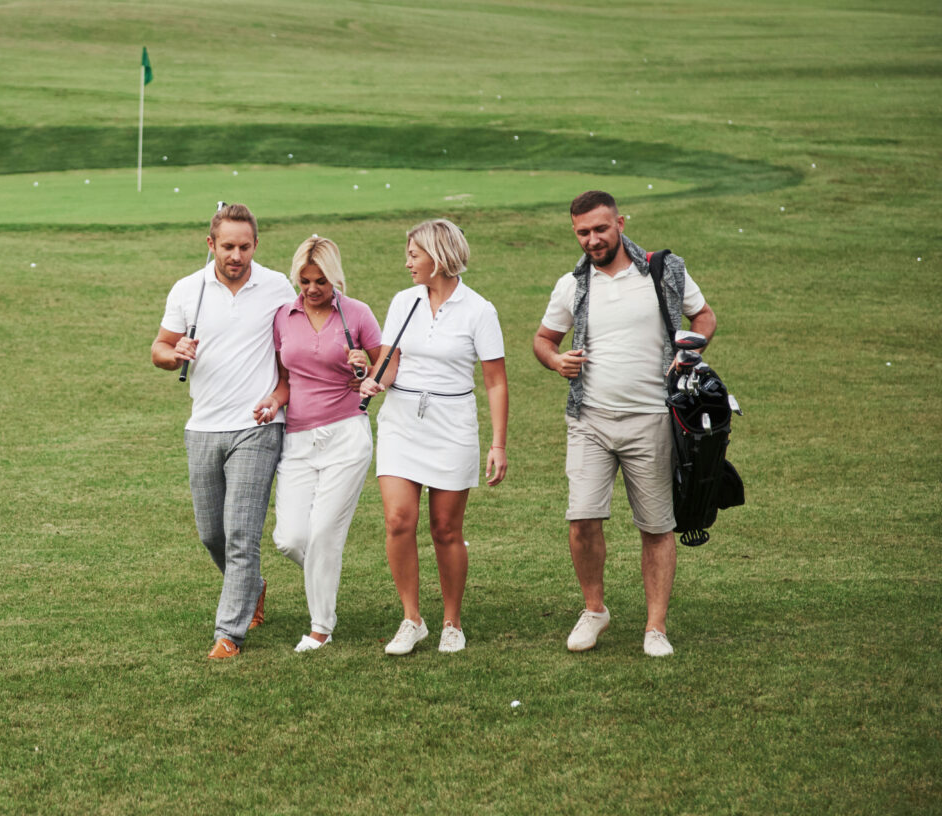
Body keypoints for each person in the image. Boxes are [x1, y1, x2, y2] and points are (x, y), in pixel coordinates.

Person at [532, 190, 717, 658]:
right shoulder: (571, 285)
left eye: (600, 229)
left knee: (656, 527)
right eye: (582, 233)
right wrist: (556, 360)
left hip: (654, 417)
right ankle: (594, 610)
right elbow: (543, 339)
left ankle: (655, 628)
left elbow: (705, 316)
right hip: (589, 419)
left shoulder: (663, 270)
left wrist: (689, 350)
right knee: (582, 521)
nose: (592, 240)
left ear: (619, 222)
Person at [151, 203, 295, 660]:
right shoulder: (187, 289)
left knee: (240, 534)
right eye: (228, 246)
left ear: (256, 244)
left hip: (258, 425)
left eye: (245, 246)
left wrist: (280, 396)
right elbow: (158, 347)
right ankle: (253, 585)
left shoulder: (276, 286)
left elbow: (293, 351)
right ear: (210, 244)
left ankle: (229, 634)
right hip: (203, 427)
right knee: (211, 533)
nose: (236, 255)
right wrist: (175, 355)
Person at [360, 218, 508, 655]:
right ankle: (411, 619)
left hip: (452, 425)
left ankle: (451, 622)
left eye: (413, 254)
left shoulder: (480, 310)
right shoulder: (403, 301)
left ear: (438, 257)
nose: (406, 262)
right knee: (398, 521)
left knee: (446, 529)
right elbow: (390, 359)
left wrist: (498, 444)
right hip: (402, 422)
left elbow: (496, 382)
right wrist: (375, 381)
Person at [254, 235, 381, 653]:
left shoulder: (356, 313)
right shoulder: (283, 317)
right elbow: (286, 381)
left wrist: (369, 369)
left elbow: (386, 361)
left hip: (346, 434)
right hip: (298, 438)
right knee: (289, 538)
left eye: (320, 281)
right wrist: (273, 402)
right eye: (304, 280)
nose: (311, 289)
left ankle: (320, 628)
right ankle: (325, 574)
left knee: (325, 532)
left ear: (335, 278)